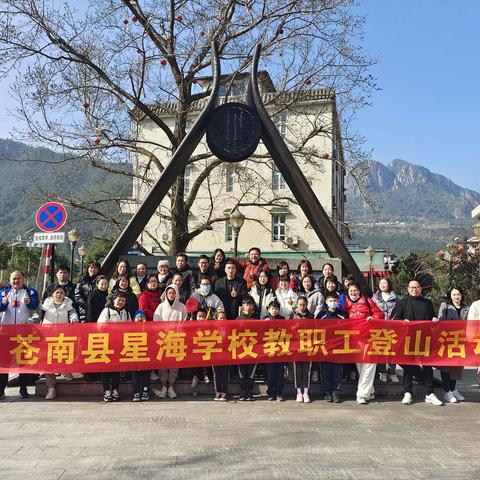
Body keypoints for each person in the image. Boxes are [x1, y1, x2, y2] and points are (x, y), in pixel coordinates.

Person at [394, 279, 444, 406]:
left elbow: (433, 317)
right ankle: (407, 392)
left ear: (420, 289)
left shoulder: (427, 302)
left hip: (425, 338)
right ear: (408, 289)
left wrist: (434, 319)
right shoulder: (402, 302)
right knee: (408, 366)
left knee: (427, 366)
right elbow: (397, 318)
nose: (414, 289)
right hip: (409, 339)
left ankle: (429, 393)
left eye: (416, 287)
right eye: (411, 287)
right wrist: (403, 321)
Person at [0, 270, 40, 399]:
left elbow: (35, 304)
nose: (16, 281)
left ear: (23, 279)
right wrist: (3, 303)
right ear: (10, 280)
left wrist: (29, 302)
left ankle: (23, 388)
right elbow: (0, 307)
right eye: (14, 279)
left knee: (23, 362)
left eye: (18, 278)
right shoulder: (4, 292)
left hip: (24, 333)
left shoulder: (30, 292)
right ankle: (1, 390)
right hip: (6, 333)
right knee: (4, 362)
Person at [344, 282, 384, 405]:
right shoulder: (345, 304)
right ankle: (370, 391)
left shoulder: (368, 301)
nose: (353, 293)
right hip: (354, 340)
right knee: (361, 367)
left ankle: (361, 394)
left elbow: (380, 314)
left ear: (359, 291)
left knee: (370, 365)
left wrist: (373, 318)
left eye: (355, 290)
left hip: (369, 338)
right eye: (351, 291)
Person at [36, 284, 79, 399]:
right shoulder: (47, 303)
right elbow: (38, 314)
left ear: (65, 295)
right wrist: (32, 320)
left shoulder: (68, 303)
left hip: (62, 336)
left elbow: (73, 313)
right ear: (52, 294)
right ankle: (51, 388)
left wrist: (74, 319)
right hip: (48, 336)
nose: (59, 295)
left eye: (61, 293)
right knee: (48, 360)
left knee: (63, 355)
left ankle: (65, 371)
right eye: (57, 293)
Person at [153, 284, 187, 399]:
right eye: (169, 293)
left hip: (177, 339)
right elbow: (156, 322)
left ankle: (171, 386)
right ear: (166, 294)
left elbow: (185, 322)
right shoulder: (161, 307)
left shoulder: (182, 307)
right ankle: (163, 386)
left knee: (174, 364)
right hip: (163, 339)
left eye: (173, 293)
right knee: (162, 364)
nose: (171, 295)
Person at [98, 292, 132, 402]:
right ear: (114, 300)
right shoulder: (106, 311)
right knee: (106, 368)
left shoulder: (126, 312)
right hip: (107, 344)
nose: (121, 302)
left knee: (116, 368)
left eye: (123, 300)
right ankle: (107, 390)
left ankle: (115, 389)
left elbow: (130, 326)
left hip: (119, 344)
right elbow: (100, 326)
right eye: (119, 300)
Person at [437, 287, 469, 403]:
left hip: (460, 341)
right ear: (450, 296)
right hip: (447, 340)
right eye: (454, 294)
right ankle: (447, 392)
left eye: (458, 294)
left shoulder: (466, 308)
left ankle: (453, 388)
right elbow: (441, 322)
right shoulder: (445, 306)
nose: (456, 297)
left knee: (456, 366)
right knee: (446, 366)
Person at [317, 292, 346, 403]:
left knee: (337, 371)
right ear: (326, 302)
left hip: (339, 347)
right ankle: (327, 392)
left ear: (338, 302)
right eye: (330, 301)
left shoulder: (343, 315)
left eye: (335, 301)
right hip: (325, 347)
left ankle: (336, 391)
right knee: (325, 371)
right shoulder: (321, 315)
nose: (333, 303)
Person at [372, 277, 401, 383]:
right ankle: (382, 372)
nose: (383, 285)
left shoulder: (397, 298)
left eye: (385, 283)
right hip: (379, 328)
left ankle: (392, 372)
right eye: (381, 283)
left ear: (389, 284)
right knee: (381, 350)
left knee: (393, 351)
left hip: (393, 327)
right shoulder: (375, 298)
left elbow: (399, 312)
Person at [262, 300, 285, 401]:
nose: (274, 311)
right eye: (272, 309)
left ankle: (279, 393)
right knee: (270, 373)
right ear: (268, 310)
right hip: (269, 350)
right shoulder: (264, 319)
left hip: (280, 350)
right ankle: (271, 393)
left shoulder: (283, 320)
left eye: (276, 309)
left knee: (280, 373)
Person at [292, 296, 314, 403]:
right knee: (297, 369)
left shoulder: (311, 316)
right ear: (297, 304)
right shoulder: (293, 315)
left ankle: (306, 391)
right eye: (300, 304)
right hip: (296, 346)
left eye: (304, 304)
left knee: (306, 369)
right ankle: (298, 392)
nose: (302, 306)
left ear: (307, 304)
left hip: (308, 346)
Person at [236, 296, 258, 400]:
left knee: (251, 372)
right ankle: (242, 391)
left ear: (253, 306)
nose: (248, 307)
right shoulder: (238, 319)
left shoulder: (256, 319)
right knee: (242, 372)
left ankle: (249, 392)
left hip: (253, 350)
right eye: (246, 304)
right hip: (241, 349)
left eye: (250, 304)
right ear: (243, 306)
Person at [131, 310, 151, 401]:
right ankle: (136, 392)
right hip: (134, 355)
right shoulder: (129, 329)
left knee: (146, 375)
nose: (140, 319)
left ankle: (145, 391)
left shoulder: (149, 329)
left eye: (142, 317)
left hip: (146, 356)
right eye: (138, 317)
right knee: (135, 375)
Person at [212, 310, 229, 401]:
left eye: (224, 318)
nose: (222, 319)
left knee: (224, 374)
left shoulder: (229, 329)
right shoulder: (212, 329)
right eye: (220, 318)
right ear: (216, 319)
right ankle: (217, 391)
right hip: (215, 355)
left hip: (226, 355)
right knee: (216, 374)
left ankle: (224, 392)